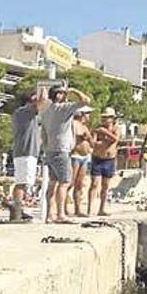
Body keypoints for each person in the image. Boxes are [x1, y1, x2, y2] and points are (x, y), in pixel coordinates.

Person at [41, 84, 91, 223]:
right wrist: (74, 90)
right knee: (65, 182)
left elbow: (43, 133)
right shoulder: (63, 108)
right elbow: (86, 101)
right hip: (62, 150)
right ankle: (61, 214)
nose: (66, 96)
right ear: (58, 95)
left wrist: (46, 146)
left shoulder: (46, 110)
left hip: (50, 150)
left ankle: (49, 215)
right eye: (63, 93)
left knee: (52, 182)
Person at [7, 88, 47, 222]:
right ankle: (16, 212)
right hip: (25, 152)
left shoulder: (25, 113)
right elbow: (42, 102)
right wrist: (43, 88)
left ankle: (18, 210)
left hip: (26, 152)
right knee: (22, 183)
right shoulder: (24, 111)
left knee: (23, 182)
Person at [89, 107, 120, 217]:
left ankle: (102, 208)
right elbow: (93, 142)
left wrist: (105, 133)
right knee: (94, 184)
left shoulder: (116, 129)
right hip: (97, 158)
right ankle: (90, 209)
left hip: (109, 160)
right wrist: (104, 141)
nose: (105, 120)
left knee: (105, 186)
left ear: (112, 119)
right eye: (104, 118)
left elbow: (115, 139)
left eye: (107, 118)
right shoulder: (98, 128)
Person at [68, 106, 94, 217]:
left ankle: (77, 209)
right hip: (75, 155)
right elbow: (73, 138)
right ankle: (63, 208)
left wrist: (88, 138)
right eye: (87, 113)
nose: (89, 116)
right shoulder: (74, 124)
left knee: (79, 184)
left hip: (85, 156)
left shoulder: (85, 127)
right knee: (71, 182)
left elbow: (91, 142)